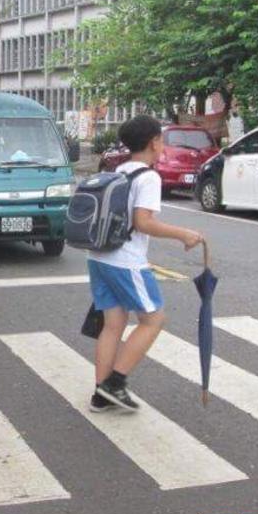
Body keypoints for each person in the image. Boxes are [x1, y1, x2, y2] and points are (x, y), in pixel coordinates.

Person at [88, 115, 204, 412]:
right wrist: (183, 234)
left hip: (99, 257)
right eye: (161, 138)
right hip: (126, 261)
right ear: (154, 142)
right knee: (153, 320)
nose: (162, 143)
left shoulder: (119, 170)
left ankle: (101, 395)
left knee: (112, 325)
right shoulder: (149, 177)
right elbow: (143, 222)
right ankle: (115, 383)